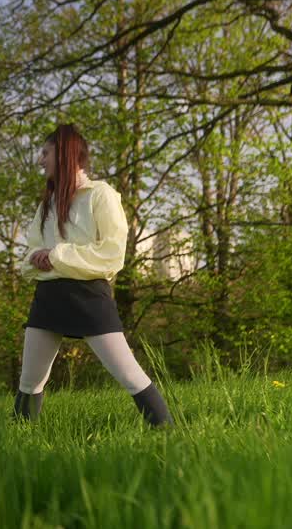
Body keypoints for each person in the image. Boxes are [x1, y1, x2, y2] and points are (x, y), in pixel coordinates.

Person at [15, 124, 173, 427]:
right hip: (48, 297)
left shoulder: (102, 195)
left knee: (128, 373)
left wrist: (55, 256)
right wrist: (38, 258)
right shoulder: (47, 204)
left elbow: (112, 254)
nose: (40, 160)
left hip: (88, 297)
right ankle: (16, 440)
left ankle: (169, 435)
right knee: (30, 380)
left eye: (45, 153)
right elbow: (32, 251)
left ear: (64, 153)